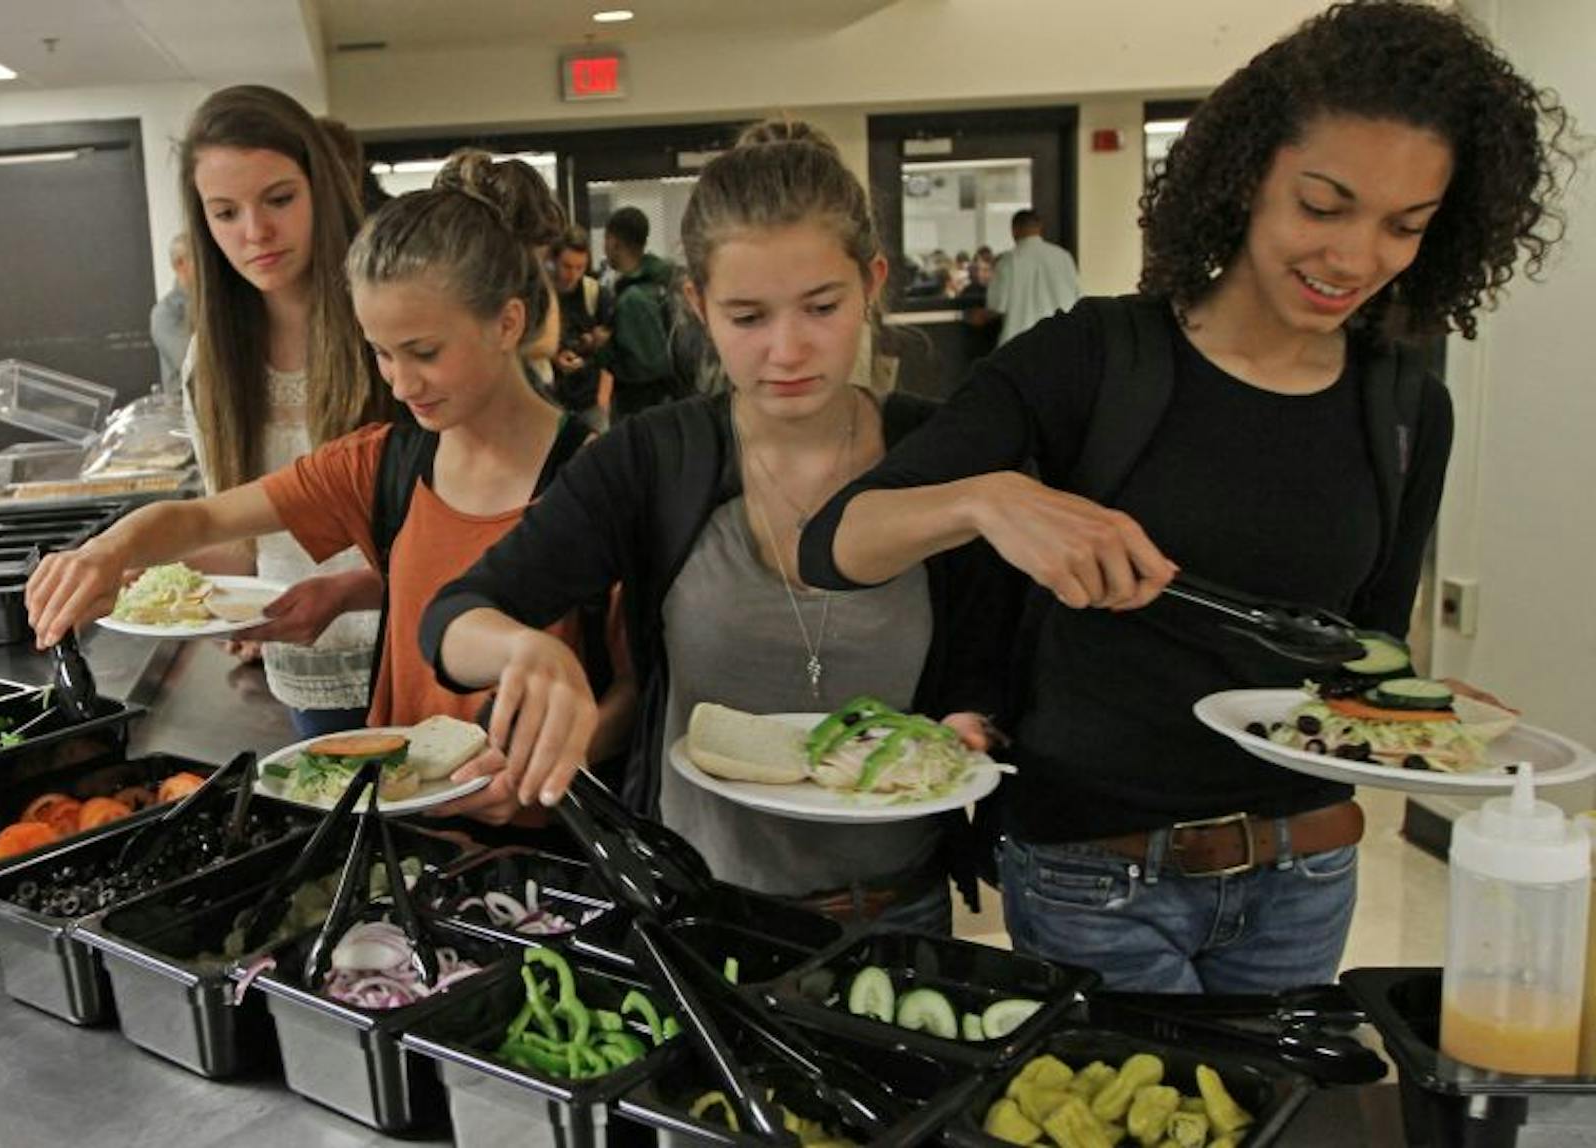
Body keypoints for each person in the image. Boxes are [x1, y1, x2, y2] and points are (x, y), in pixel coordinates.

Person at [793, 0, 1572, 992]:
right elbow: (836, 543)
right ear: (1248, 174)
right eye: (1323, 205)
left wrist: (1422, 717)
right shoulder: (1092, 359)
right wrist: (987, 500)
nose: (1354, 257)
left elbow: (1363, 650)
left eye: (1404, 226)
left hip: (1307, 870)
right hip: (1094, 874)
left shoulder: (1408, 406)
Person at [421, 121, 1017, 931]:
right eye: (747, 317)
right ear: (698, 305)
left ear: (872, 283)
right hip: (697, 908)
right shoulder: (655, 459)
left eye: (822, 306)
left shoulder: (943, 453)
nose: (787, 349)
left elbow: (989, 660)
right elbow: (453, 617)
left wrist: (973, 722)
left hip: (895, 907)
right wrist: (525, 646)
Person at [26, 154, 635, 825]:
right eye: (381, 352)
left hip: (551, 841)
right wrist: (107, 550)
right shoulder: (381, 463)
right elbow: (202, 520)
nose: (402, 385)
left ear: (508, 324)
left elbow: (636, 690)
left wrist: (550, 760)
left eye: (425, 352)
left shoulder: (602, 483)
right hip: (400, 838)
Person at [173, 85, 400, 738]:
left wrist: (354, 589)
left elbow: (463, 525)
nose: (256, 233)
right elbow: (246, 543)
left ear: (321, 189)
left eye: (278, 199)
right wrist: (152, 572)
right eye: (225, 213)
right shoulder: (211, 364)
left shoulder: (385, 320)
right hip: (306, 673)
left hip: (424, 652)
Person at [597, 206, 682, 421]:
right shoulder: (664, 281)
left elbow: (646, 366)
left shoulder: (632, 299)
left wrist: (604, 349)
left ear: (613, 242)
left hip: (642, 409)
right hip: (673, 403)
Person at [547, 226, 613, 428]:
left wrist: (604, 397)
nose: (572, 275)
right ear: (554, 262)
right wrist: (555, 357)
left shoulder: (595, 293)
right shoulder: (543, 294)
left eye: (580, 267)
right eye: (566, 266)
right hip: (551, 399)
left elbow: (611, 351)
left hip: (591, 400)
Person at [983, 209, 1081, 344]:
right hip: (1060, 342)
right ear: (1040, 228)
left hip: (1019, 345)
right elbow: (1077, 300)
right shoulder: (1064, 257)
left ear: (1013, 230)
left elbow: (996, 307)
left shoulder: (1009, 261)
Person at [150, 233, 195, 394]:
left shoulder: (219, 302)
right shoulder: (164, 313)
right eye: (200, 257)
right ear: (180, 264)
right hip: (184, 412)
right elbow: (192, 366)